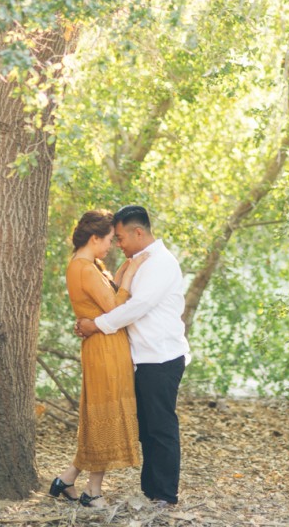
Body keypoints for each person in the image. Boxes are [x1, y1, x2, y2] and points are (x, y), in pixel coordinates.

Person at [76, 205, 190, 508]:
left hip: (161, 357)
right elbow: (116, 297)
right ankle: (151, 489)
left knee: (161, 427)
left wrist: (94, 326)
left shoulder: (161, 263)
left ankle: (165, 494)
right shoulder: (137, 262)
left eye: (122, 237)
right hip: (140, 359)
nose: (118, 244)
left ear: (138, 232)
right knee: (147, 428)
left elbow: (135, 307)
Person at [49, 209, 148, 507]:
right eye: (108, 240)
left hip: (107, 346)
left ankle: (67, 480)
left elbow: (107, 294)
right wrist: (131, 273)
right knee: (103, 415)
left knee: (98, 417)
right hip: (104, 349)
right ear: (94, 238)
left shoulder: (90, 266)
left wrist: (122, 273)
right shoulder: (83, 268)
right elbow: (114, 307)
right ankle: (93, 491)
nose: (111, 246)